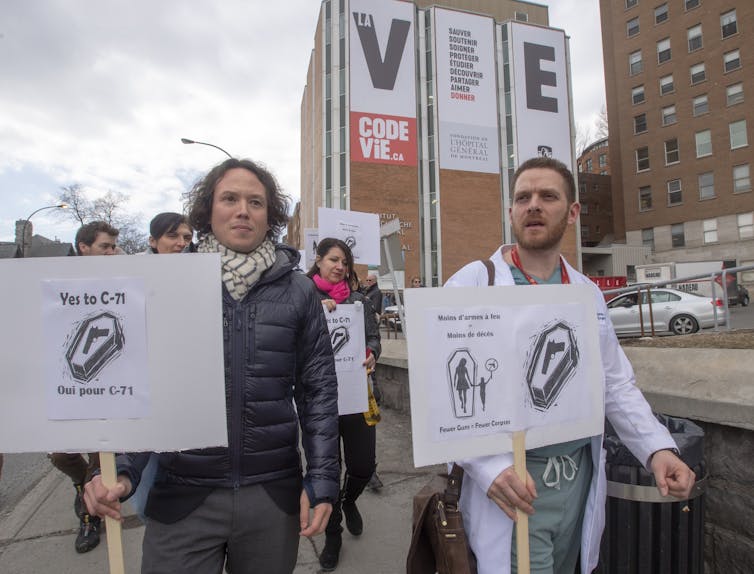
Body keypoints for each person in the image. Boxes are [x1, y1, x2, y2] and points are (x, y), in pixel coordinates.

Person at [83, 158, 340, 574]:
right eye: (230, 198)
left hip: (272, 496)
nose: (243, 209)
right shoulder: (168, 284)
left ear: (269, 215)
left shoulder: (300, 292)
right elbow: (142, 385)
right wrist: (123, 470)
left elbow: (319, 392)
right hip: (183, 496)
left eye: (255, 201)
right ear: (207, 211)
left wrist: (324, 481)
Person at [445, 156, 696, 574]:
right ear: (511, 211)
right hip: (516, 487)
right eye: (523, 197)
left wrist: (656, 449)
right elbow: (449, 389)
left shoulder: (586, 294)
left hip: (576, 486)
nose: (533, 205)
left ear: (573, 212)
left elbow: (614, 384)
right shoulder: (475, 282)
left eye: (548, 196)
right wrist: (488, 467)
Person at [306, 237, 381, 572]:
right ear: (319, 260)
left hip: (356, 396)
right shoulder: (301, 297)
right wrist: (314, 313)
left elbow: (374, 339)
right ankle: (333, 535)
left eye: (345, 262)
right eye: (333, 260)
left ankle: (350, 500)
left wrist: (372, 354)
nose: (339, 267)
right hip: (319, 401)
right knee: (328, 472)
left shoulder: (359, 301)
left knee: (363, 465)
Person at [47, 220, 120, 554]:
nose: (112, 252)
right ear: (83, 246)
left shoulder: (123, 284)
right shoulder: (59, 286)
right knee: (61, 453)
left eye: (114, 246)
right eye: (105, 246)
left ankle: (90, 518)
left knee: (101, 458)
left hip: (112, 389)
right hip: (70, 386)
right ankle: (81, 485)